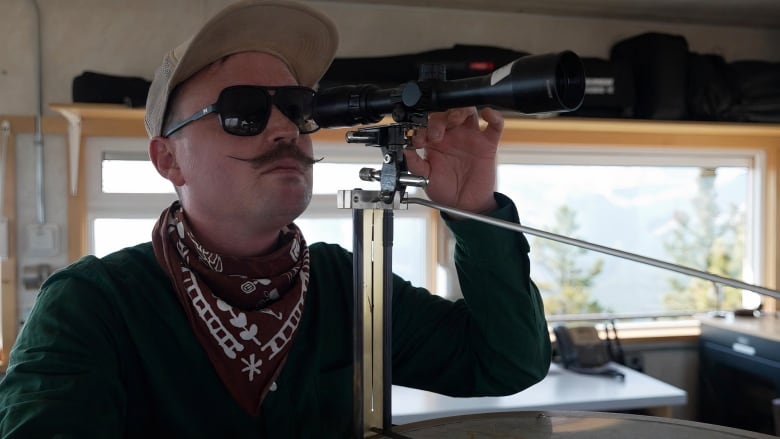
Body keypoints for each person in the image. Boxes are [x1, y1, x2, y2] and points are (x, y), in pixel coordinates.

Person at [0, 0, 550, 437]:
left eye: (296, 106)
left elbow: (506, 363)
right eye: (244, 111)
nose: (284, 128)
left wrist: (473, 212)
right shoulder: (91, 306)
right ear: (168, 159)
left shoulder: (348, 284)